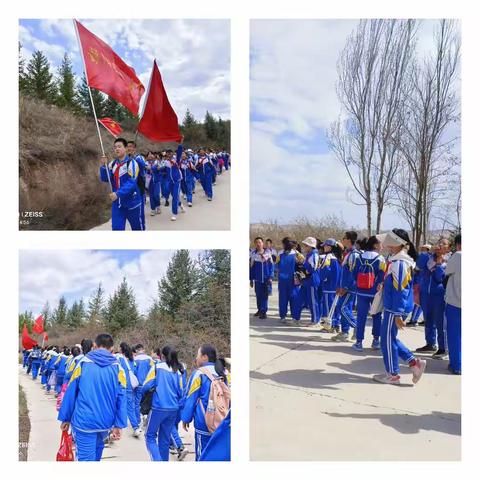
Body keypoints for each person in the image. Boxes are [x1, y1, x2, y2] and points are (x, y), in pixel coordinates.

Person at [58, 333, 127, 461]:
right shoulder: (118, 368)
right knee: (96, 454)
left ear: (94, 346)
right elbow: (122, 398)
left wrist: (66, 418)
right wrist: (119, 424)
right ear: (112, 348)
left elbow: (71, 392)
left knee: (85, 459)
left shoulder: (83, 363)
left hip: (84, 421)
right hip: (105, 422)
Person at [373, 229, 426, 385]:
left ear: (397, 243)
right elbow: (397, 287)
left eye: (390, 242)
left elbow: (401, 290)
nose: (387, 245)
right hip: (394, 307)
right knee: (389, 338)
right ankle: (413, 363)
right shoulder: (398, 261)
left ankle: (393, 374)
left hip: (394, 309)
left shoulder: (400, 263)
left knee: (386, 340)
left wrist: (397, 314)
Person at [181, 344, 230, 461]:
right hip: (221, 422)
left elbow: (190, 398)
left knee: (202, 456)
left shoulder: (199, 373)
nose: (196, 358)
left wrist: (186, 418)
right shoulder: (223, 373)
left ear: (205, 357)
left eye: (198, 355)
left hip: (204, 424)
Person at [141, 346, 185, 461]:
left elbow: (146, 386)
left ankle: (157, 460)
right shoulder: (178, 371)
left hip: (158, 408)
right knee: (164, 440)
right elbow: (181, 391)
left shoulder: (157, 367)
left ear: (162, 356)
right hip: (173, 409)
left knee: (150, 436)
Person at [415, 237, 451, 358]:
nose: (440, 245)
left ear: (448, 248)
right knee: (428, 319)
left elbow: (439, 278)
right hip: (426, 293)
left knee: (440, 322)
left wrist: (439, 264)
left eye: (444, 244)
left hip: (439, 295)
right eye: (439, 243)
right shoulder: (429, 257)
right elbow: (419, 265)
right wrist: (430, 253)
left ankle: (443, 348)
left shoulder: (448, 261)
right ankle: (430, 343)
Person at [351, 236, 386, 351]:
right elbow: (382, 276)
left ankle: (359, 342)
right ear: (375, 245)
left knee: (361, 317)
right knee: (376, 316)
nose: (382, 246)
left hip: (361, 292)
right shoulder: (381, 259)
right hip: (375, 292)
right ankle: (376, 341)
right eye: (381, 244)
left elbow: (354, 273)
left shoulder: (359, 257)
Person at [99, 138, 142, 231]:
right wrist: (103, 166)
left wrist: (118, 194)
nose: (117, 149)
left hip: (132, 203)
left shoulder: (132, 163)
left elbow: (132, 182)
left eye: (119, 146)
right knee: (117, 229)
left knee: (137, 229)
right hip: (118, 204)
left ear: (126, 148)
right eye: (115, 147)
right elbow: (105, 178)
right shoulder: (113, 164)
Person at [331, 231, 360, 342]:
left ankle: (357, 326)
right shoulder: (347, 253)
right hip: (343, 287)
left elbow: (353, 274)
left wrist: (346, 287)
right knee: (343, 308)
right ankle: (344, 332)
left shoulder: (354, 254)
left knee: (342, 308)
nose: (342, 240)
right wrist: (339, 286)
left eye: (344, 238)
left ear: (349, 240)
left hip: (350, 288)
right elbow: (343, 273)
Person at [276, 237, 304, 323]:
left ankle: (283, 316)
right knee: (295, 298)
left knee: (283, 298)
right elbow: (303, 264)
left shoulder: (280, 254)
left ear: (285, 244)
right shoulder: (297, 254)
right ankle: (295, 317)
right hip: (294, 280)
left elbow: (276, 267)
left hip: (282, 279)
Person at [445, 234, 461, 374]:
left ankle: (457, 365)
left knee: (455, 335)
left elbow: (447, 271)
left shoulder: (458, 256)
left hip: (456, 302)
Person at [117, 342, 141, 437]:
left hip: (122, 386)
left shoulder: (119, 359)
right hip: (130, 387)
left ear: (121, 349)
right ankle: (136, 427)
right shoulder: (132, 360)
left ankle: (115, 428)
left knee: (117, 406)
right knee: (130, 408)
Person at [318, 239, 342, 333]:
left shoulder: (328, 257)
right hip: (336, 286)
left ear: (330, 247)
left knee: (328, 306)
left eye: (325, 245)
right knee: (335, 306)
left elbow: (325, 270)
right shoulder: (337, 257)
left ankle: (329, 326)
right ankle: (336, 325)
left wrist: (322, 278)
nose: (324, 247)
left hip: (329, 286)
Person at [298, 237, 321, 326]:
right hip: (308, 280)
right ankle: (314, 319)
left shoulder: (314, 254)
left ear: (310, 246)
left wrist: (303, 272)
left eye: (306, 245)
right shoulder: (309, 254)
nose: (304, 247)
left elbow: (313, 268)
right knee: (310, 301)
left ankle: (315, 320)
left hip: (312, 280)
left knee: (313, 301)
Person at [250, 237, 274, 319]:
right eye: (256, 242)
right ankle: (259, 309)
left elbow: (271, 266)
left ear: (263, 243)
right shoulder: (253, 254)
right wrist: (251, 279)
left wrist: (271, 276)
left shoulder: (268, 253)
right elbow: (252, 267)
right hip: (257, 279)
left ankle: (264, 312)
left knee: (264, 295)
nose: (258, 244)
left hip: (266, 278)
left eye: (259, 242)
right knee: (258, 295)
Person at [133, 344, 155, 428]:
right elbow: (153, 371)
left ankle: (138, 421)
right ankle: (146, 417)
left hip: (138, 385)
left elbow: (134, 372)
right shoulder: (150, 359)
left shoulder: (135, 359)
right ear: (143, 349)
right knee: (147, 402)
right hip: (149, 385)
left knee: (137, 403)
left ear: (137, 350)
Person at [127, 141, 147, 230]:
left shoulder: (139, 157)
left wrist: (134, 158)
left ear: (134, 148)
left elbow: (143, 166)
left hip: (139, 188)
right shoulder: (125, 159)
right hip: (130, 191)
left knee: (140, 214)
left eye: (131, 146)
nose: (129, 148)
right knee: (134, 215)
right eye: (127, 146)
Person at [165, 141, 186, 221]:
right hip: (170, 182)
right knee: (174, 196)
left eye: (170, 153)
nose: (169, 154)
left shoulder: (176, 160)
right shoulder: (166, 162)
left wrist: (180, 143)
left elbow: (179, 152)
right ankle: (180, 205)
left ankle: (174, 213)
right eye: (168, 153)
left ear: (172, 154)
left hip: (177, 181)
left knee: (175, 197)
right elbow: (163, 171)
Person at [145, 152, 161, 216]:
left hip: (156, 181)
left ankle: (158, 206)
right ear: (147, 157)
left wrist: (154, 168)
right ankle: (153, 209)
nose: (150, 156)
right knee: (151, 196)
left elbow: (160, 168)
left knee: (156, 195)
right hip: (149, 182)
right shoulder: (145, 163)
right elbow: (145, 170)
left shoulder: (157, 162)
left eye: (151, 154)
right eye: (149, 155)